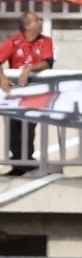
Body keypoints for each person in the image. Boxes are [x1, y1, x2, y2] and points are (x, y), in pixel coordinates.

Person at [0, 11, 52, 176]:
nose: (41, 21)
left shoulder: (45, 40)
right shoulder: (14, 42)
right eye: (37, 19)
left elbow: (48, 62)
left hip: (35, 92)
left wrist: (28, 69)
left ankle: (27, 160)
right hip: (14, 92)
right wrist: (2, 77)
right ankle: (17, 162)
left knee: (29, 125)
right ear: (28, 25)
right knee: (13, 126)